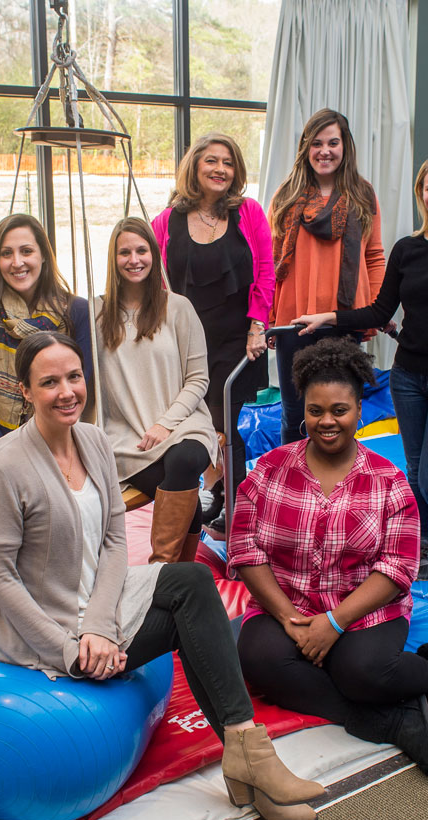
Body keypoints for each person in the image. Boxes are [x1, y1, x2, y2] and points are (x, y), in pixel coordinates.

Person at [0, 330, 324, 820]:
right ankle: (249, 768)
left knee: (194, 582)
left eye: (74, 376)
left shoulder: (92, 440)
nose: (67, 391)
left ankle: (248, 755)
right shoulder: (4, 465)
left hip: (94, 600)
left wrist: (99, 623)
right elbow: (1, 581)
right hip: (43, 626)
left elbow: (115, 540)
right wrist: (73, 649)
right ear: (26, 392)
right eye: (49, 382)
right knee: (190, 616)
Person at [229, 338, 428, 780]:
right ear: (302, 409)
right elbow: (246, 549)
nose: (327, 421)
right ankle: (381, 720)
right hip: (290, 604)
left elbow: (397, 570)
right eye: (315, 410)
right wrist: (288, 618)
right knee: (258, 660)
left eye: (339, 410)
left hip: (365, 609)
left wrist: (335, 624)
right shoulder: (268, 471)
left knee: (361, 672)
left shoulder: (389, 482)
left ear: (360, 409)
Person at [292, 152, 428, 579]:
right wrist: (328, 317)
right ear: (421, 194)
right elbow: (379, 309)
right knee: (416, 470)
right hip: (408, 379)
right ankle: (425, 541)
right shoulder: (408, 248)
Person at [152, 132, 274, 531]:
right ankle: (212, 493)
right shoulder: (166, 221)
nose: (220, 169)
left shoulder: (249, 212)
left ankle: (234, 507)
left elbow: (265, 272)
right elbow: (153, 280)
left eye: (228, 162)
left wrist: (259, 326)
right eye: (211, 161)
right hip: (185, 342)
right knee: (194, 424)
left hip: (237, 341)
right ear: (195, 167)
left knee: (228, 427)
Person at [0, 212, 92, 533]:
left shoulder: (74, 312)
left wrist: (48, 448)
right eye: (6, 253)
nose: (17, 262)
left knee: (56, 548)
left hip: (56, 446)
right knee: (1, 552)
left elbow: (85, 387)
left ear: (43, 255)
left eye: (26, 251)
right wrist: (3, 449)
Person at [96, 218, 218, 564]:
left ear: (154, 254)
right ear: (113, 259)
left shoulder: (178, 307)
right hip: (126, 436)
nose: (134, 259)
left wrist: (166, 423)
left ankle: (160, 569)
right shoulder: (96, 312)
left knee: (184, 460)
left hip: (183, 422)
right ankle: (177, 576)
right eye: (124, 252)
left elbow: (198, 379)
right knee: (182, 489)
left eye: (141, 250)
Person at [268, 108, 385, 445]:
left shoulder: (363, 193)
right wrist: (268, 318)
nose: (325, 151)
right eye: (316, 143)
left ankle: (339, 488)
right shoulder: (286, 195)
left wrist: (376, 311)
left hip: (343, 320)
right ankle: (294, 487)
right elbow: (272, 262)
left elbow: (374, 257)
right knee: (295, 413)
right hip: (294, 322)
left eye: (333, 142)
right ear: (306, 147)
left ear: (344, 146)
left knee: (342, 412)